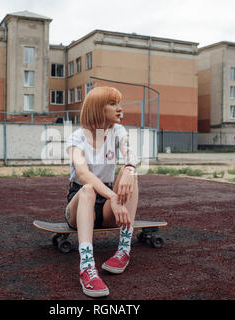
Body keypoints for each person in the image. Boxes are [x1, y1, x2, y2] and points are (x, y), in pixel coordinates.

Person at [64, 86, 139, 298]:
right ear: (98, 107)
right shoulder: (76, 138)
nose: (120, 108)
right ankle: (87, 267)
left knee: (132, 175)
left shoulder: (117, 131)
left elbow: (130, 152)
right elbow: (84, 174)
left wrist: (129, 168)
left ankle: (123, 251)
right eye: (113, 103)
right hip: (79, 202)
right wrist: (113, 196)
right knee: (88, 189)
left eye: (119, 103)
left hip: (106, 205)